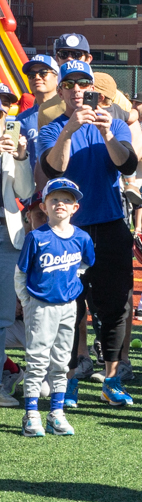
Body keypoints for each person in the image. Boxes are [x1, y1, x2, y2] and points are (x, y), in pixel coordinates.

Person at [38, 61, 138, 409]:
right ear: (61, 90)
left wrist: (108, 133)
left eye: (84, 84)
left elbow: (127, 164)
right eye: (70, 84)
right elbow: (55, 168)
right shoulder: (52, 129)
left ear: (94, 89)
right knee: (68, 308)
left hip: (110, 225)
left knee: (114, 306)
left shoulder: (115, 123)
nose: (77, 90)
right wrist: (68, 131)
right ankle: (68, 379)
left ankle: (111, 379)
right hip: (67, 231)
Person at [15, 178, 95, 437]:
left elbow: (86, 264)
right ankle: (31, 415)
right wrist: (28, 302)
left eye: (68, 200)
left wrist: (73, 284)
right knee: (37, 362)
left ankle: (56, 414)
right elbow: (21, 274)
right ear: (44, 206)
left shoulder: (82, 237)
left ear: (75, 208)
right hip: (40, 307)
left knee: (61, 362)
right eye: (55, 199)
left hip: (68, 307)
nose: (61, 204)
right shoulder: (37, 237)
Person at [0, 105, 36, 409]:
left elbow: (25, 192)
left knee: (1, 318)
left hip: (4, 235)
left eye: (0, 114)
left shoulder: (10, 150)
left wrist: (21, 157)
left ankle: (2, 382)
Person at [37, 34, 92, 128]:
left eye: (76, 54)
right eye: (64, 54)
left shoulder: (109, 93)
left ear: (88, 59)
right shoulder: (46, 109)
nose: (69, 58)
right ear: (57, 58)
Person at [19, 54, 60, 170]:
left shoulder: (68, 112)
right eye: (31, 75)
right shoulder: (22, 119)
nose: (37, 77)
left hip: (64, 184)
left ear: (57, 78)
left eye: (43, 73)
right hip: (34, 184)